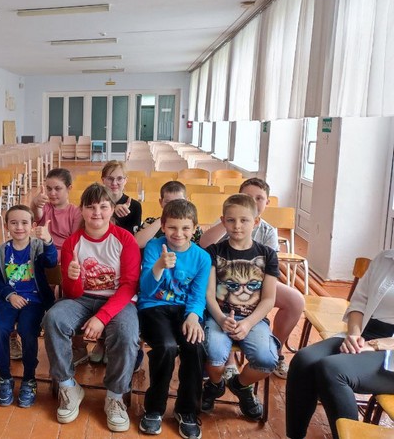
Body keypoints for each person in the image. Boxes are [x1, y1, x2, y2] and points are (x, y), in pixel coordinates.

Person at [43, 183, 141, 432]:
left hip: (117, 300)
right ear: (82, 210)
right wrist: (72, 278)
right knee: (53, 319)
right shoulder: (72, 242)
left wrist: (102, 317)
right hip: (82, 299)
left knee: (127, 332)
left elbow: (129, 286)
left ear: (112, 209)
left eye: (103, 207)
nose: (97, 212)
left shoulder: (125, 240)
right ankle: (68, 386)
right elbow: (72, 293)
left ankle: (115, 396)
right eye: (91, 207)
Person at [199, 177, 304, 379]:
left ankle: (275, 352)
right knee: (215, 349)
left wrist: (248, 321)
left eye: (259, 198)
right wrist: (229, 220)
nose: (253, 202)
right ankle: (227, 363)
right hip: (223, 286)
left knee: (294, 301)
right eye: (247, 197)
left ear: (266, 202)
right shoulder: (224, 229)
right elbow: (204, 245)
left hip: (255, 283)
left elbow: (267, 279)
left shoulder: (267, 233)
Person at [286, 249, 394, 439]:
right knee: (304, 360)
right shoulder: (385, 258)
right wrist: (354, 334)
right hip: (364, 332)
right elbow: (359, 302)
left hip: (389, 350)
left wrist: (373, 345)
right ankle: (295, 436)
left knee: (333, 369)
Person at [201, 194, 280, 421]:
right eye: (231, 220)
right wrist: (220, 318)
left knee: (267, 361)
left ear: (256, 222)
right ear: (223, 221)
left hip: (253, 319)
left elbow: (268, 299)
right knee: (214, 356)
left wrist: (247, 323)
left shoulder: (267, 255)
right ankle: (214, 385)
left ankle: (240, 385)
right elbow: (208, 294)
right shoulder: (214, 252)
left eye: (244, 220)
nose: (237, 226)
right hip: (219, 316)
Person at [137, 199, 210, 438]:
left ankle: (186, 410)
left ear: (195, 228)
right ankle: (154, 408)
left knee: (195, 346)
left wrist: (193, 317)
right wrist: (159, 266)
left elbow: (198, 295)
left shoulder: (202, 257)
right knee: (167, 347)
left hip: (185, 311)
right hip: (154, 307)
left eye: (185, 228)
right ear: (163, 226)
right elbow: (146, 289)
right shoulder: (154, 247)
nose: (178, 233)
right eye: (172, 227)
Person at [0, 205, 57, 408]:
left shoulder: (37, 247)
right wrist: (9, 295)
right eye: (14, 223)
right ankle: (4, 376)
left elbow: (51, 262)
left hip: (34, 302)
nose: (19, 227)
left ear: (32, 225)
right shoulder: (2, 251)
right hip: (9, 300)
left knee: (28, 332)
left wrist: (48, 241)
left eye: (24, 223)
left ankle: (29, 378)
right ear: (6, 226)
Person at [28, 167, 86, 364]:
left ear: (69, 188)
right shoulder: (45, 208)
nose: (52, 193)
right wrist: (35, 202)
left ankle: (77, 343)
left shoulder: (75, 212)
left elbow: (74, 243)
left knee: (69, 293)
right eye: (49, 188)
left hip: (64, 257)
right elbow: (35, 213)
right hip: (42, 254)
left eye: (57, 189)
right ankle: (26, 328)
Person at [134, 181, 203, 249]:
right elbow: (137, 243)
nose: (173, 206)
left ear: (187, 201)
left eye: (179, 201)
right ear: (161, 202)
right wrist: (164, 218)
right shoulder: (150, 222)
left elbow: (202, 247)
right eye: (168, 202)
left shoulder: (190, 226)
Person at [101, 160, 142, 235]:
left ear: (125, 180)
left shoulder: (135, 206)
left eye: (119, 178)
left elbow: (134, 236)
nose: (114, 183)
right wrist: (113, 210)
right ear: (103, 180)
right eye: (110, 178)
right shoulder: (96, 203)